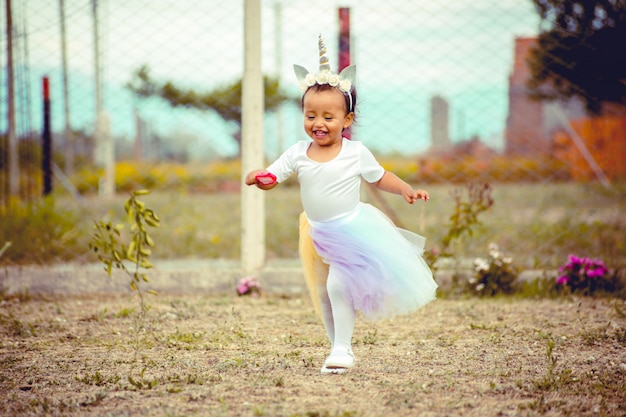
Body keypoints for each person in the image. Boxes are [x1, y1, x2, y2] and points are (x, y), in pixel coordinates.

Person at [245, 35, 437, 374]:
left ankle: (343, 349)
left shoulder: (354, 152)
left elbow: (379, 177)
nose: (318, 124)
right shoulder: (297, 153)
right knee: (323, 293)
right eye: (310, 116)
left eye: (328, 117)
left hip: (352, 229)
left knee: (339, 285)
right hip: (316, 233)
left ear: (347, 121)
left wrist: (405, 189)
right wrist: (260, 178)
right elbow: (275, 176)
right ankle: (336, 345)